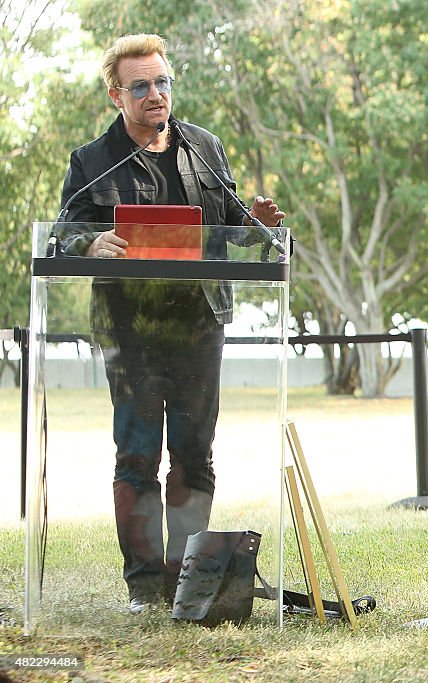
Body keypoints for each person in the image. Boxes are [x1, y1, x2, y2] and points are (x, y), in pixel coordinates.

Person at [56, 34, 286, 613]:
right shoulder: (91, 161)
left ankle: (189, 584)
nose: (156, 95)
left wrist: (257, 223)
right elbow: (63, 232)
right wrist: (92, 239)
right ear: (117, 95)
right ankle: (143, 589)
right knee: (136, 456)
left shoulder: (203, 147)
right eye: (141, 86)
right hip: (129, 330)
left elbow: (231, 223)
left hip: (199, 324)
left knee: (194, 454)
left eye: (162, 82)